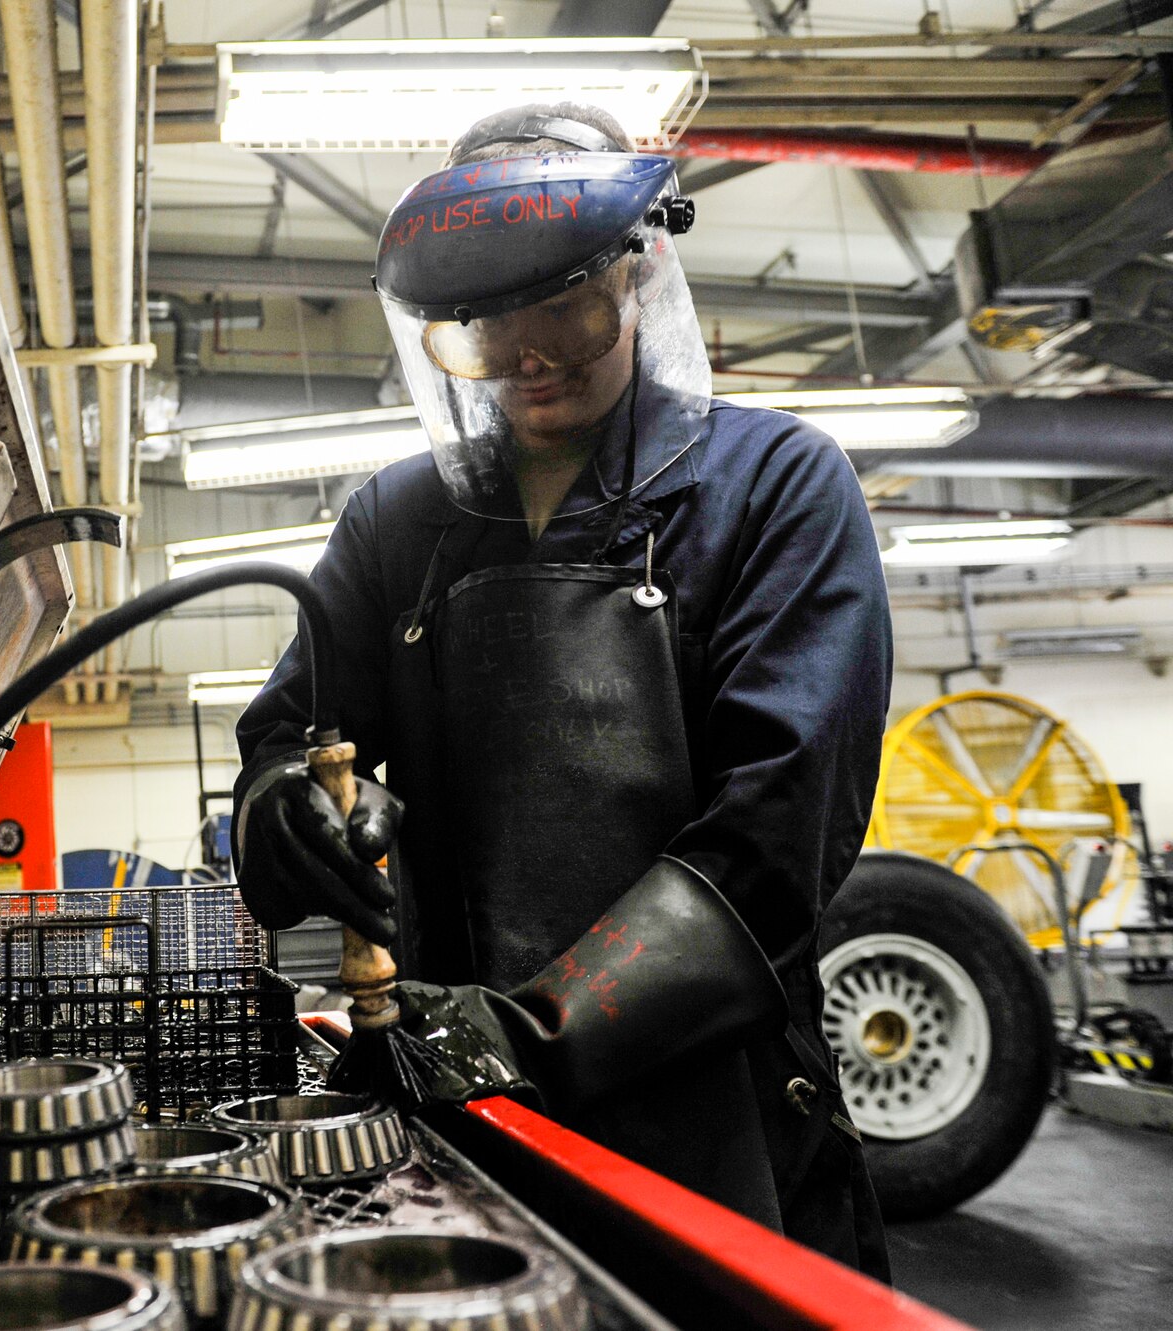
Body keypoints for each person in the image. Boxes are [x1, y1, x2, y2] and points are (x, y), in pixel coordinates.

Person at [232, 103, 893, 1276]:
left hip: (711, 1103)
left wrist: (535, 1028)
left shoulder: (774, 487)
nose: (528, 354)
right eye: (487, 324)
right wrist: (282, 802)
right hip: (460, 1101)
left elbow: (775, 834)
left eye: (564, 307)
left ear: (638, 275)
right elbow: (292, 733)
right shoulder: (398, 520)